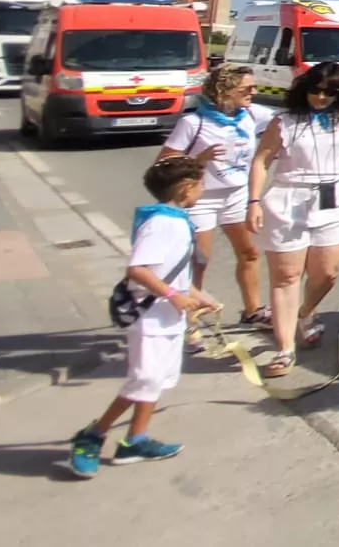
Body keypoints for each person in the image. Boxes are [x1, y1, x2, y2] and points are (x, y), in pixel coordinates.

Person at [68, 156, 218, 478]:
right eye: (201, 184)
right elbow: (137, 269)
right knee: (144, 380)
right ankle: (92, 435)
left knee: (156, 380)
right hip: (150, 317)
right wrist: (173, 296)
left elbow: (171, 270)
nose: (203, 190)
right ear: (186, 188)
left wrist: (195, 294)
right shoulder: (162, 223)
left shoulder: (176, 219)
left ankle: (135, 440)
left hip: (166, 316)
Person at [247, 62, 339, 379]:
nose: (321, 98)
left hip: (330, 194)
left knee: (327, 273)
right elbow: (261, 160)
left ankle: (305, 312)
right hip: (288, 197)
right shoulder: (283, 121)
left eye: (328, 93)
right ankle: (284, 350)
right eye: (315, 91)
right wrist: (253, 200)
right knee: (286, 277)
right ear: (304, 89)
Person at [156, 64, 274, 348]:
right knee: (199, 262)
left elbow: (287, 121)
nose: (253, 93)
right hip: (201, 200)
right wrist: (200, 159)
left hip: (236, 195)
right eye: (246, 89)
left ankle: (252, 311)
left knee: (249, 253)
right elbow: (163, 164)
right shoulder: (193, 124)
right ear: (224, 91)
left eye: (253, 87)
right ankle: (189, 323)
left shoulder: (251, 115)